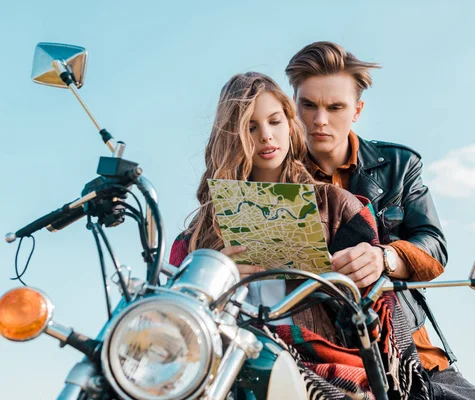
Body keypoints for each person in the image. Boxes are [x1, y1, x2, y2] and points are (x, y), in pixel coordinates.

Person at [169, 72, 437, 398]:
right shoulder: (195, 239)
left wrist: (368, 268)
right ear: (231, 137)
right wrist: (214, 278)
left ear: (289, 122)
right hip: (232, 373)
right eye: (251, 127)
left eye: (274, 121)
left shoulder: (337, 205)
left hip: (327, 370)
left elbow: (376, 309)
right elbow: (173, 331)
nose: (266, 136)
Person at [285, 41, 475, 399]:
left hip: (405, 346)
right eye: (308, 105)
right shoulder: (273, 178)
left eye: (335, 107)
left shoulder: (399, 165)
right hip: (311, 350)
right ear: (293, 104)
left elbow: (434, 247)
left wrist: (384, 258)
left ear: (357, 110)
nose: (319, 120)